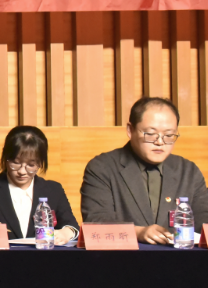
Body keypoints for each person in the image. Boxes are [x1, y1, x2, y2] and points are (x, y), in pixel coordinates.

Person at [81, 96, 208, 244]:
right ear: (130, 130)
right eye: (151, 134)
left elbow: (203, 222)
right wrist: (138, 233)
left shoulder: (188, 171)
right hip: (122, 256)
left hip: (180, 257)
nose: (160, 142)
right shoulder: (102, 167)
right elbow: (95, 223)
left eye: (168, 135)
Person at [0, 125, 79, 244]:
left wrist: (66, 232)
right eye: (15, 163)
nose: (22, 171)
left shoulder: (53, 190)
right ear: (5, 158)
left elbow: (71, 225)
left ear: (40, 163)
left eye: (31, 165)